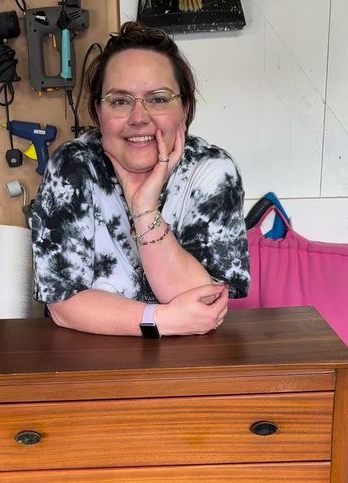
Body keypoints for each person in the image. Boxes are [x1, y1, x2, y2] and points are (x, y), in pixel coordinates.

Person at [32, 21, 250, 337]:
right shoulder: (73, 166)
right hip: (89, 365)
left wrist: (144, 208)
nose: (138, 118)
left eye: (158, 99)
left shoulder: (212, 170)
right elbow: (63, 306)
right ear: (97, 112)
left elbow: (207, 306)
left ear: (185, 108)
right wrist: (161, 321)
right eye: (120, 100)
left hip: (190, 366)